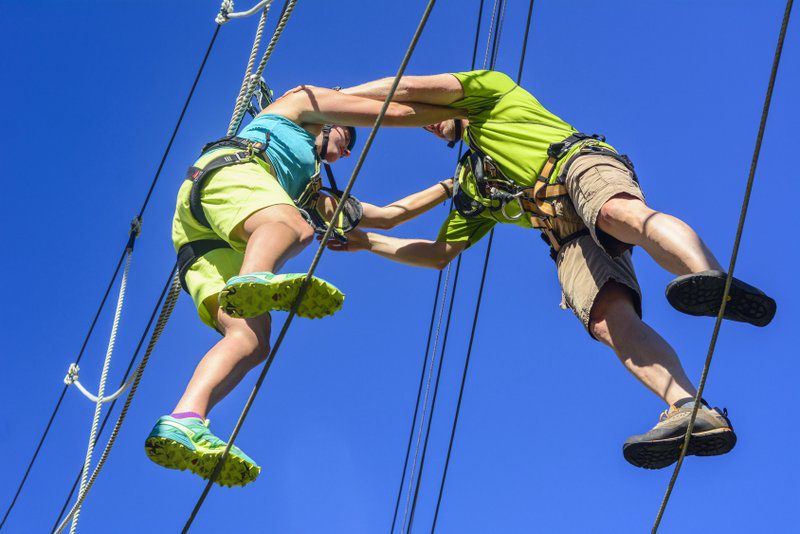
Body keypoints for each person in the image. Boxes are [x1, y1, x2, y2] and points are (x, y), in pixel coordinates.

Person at [327, 70, 776, 469]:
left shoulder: (491, 91)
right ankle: (690, 408)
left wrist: (332, 101)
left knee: (617, 213)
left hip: (576, 165)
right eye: (424, 126)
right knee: (605, 321)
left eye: (431, 115)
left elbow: (404, 87)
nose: (429, 123)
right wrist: (364, 240)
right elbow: (435, 251)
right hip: (564, 234)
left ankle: (712, 278)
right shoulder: (474, 184)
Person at [144, 85, 461, 486]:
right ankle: (253, 277)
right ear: (329, 122)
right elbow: (389, 112)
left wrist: (450, 186)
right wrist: (459, 114)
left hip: (200, 237)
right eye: (347, 139)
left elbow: (387, 218)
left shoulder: (308, 191)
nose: (347, 154)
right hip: (230, 173)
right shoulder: (297, 105)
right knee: (292, 228)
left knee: (251, 341)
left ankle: (184, 420)